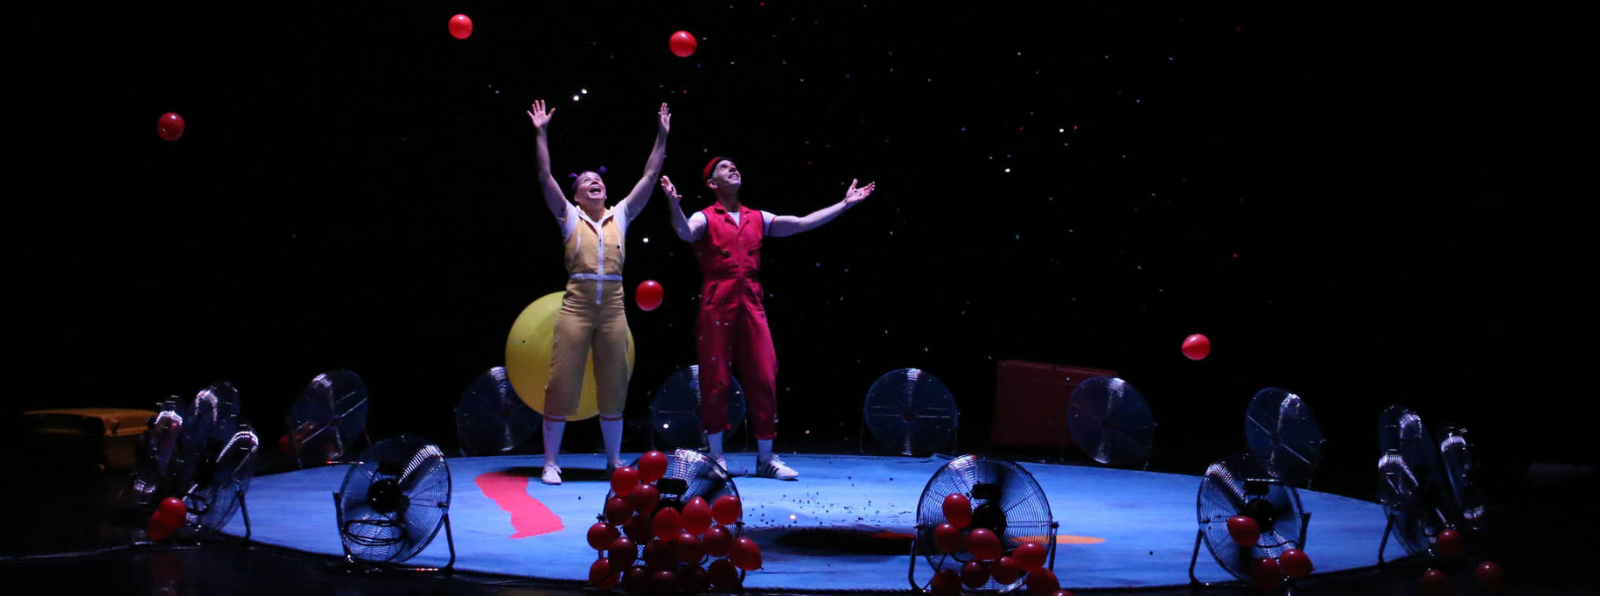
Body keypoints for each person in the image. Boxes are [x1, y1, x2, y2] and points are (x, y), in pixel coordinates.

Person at [659, 158, 874, 480]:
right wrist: (674, 206)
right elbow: (685, 233)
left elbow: (801, 223)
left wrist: (843, 205)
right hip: (717, 303)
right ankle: (716, 456)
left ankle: (766, 458)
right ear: (712, 184)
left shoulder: (757, 217)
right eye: (724, 168)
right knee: (715, 379)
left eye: (735, 166)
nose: (733, 169)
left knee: (764, 376)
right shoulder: (705, 217)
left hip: (752, 303)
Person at [526, 99, 670, 484]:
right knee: (562, 382)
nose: (595, 180)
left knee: (614, 384)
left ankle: (613, 461)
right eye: (585, 179)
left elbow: (651, 176)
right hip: (576, 307)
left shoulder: (620, 214)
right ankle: (551, 462)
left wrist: (661, 136)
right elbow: (544, 178)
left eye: (598, 178)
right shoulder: (569, 216)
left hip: (614, 310)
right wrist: (541, 133)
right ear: (575, 194)